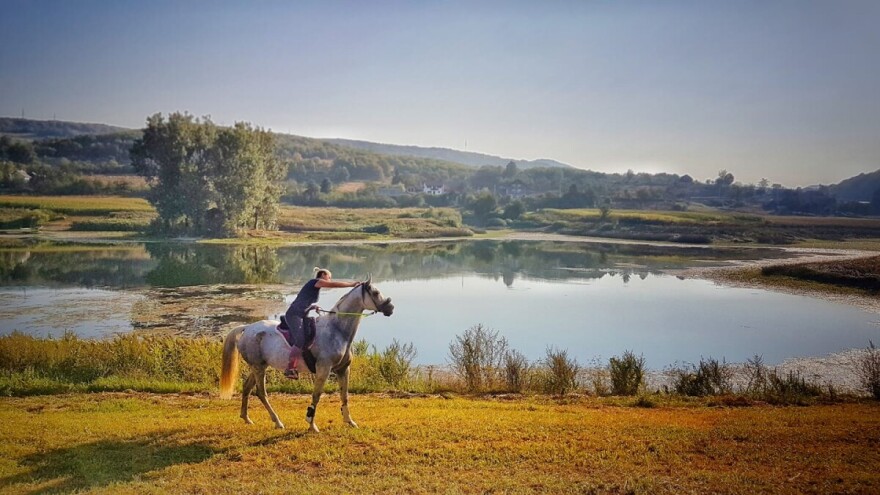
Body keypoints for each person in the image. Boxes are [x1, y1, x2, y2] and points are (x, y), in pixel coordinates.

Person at [283, 267, 360, 379]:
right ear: (323, 275)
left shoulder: (314, 286)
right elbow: (334, 285)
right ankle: (290, 369)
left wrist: (312, 307)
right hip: (294, 314)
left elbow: (303, 300)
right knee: (300, 340)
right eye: (329, 277)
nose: (329, 279)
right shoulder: (315, 282)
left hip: (302, 314)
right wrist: (351, 284)